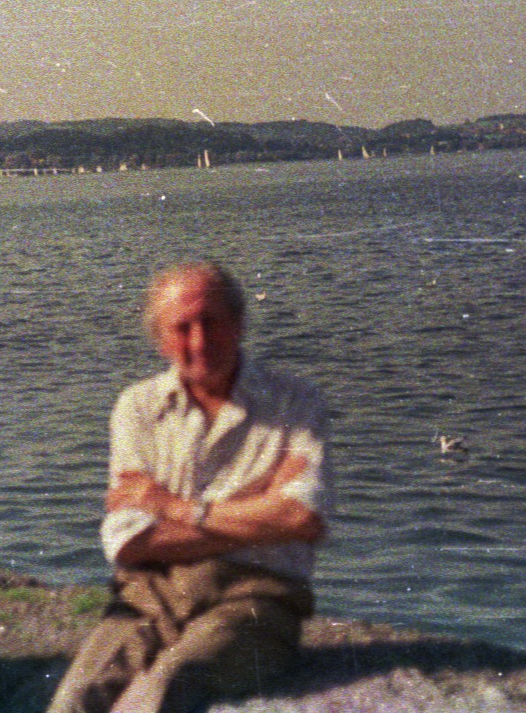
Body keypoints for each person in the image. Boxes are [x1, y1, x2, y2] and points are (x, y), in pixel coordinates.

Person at [47, 262, 333, 713]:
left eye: (211, 322)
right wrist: (261, 515)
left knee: (164, 691)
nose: (199, 341)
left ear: (238, 324)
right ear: (161, 340)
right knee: (74, 701)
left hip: (259, 596)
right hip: (151, 594)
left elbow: (303, 518)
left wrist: (173, 508)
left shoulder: (295, 402)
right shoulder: (138, 409)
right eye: (182, 327)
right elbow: (127, 542)